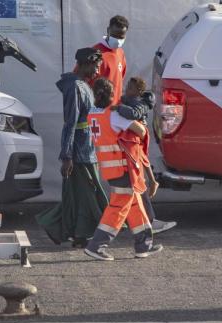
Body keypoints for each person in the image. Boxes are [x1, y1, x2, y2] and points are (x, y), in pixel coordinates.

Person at [90, 15, 176, 234]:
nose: (119, 39)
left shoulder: (119, 53)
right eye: (116, 34)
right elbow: (90, 85)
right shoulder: (96, 54)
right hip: (111, 120)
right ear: (107, 29)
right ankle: (122, 229)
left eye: (122, 35)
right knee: (129, 176)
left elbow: (120, 86)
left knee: (130, 176)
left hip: (118, 118)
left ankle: (143, 226)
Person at [85, 78, 164, 261]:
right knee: (118, 207)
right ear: (112, 95)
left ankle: (143, 245)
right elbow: (141, 131)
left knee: (135, 204)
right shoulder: (114, 115)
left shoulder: (92, 114)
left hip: (110, 169)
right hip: (123, 169)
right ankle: (97, 245)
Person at [36, 48, 108, 247]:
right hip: (79, 153)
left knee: (81, 195)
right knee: (86, 196)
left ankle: (77, 234)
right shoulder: (74, 87)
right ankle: (72, 232)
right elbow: (70, 123)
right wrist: (67, 156)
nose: (97, 71)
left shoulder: (83, 85)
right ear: (85, 64)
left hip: (87, 150)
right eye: (95, 66)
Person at [113, 77, 159, 199]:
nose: (127, 89)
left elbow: (133, 114)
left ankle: (152, 181)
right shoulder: (126, 99)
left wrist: (118, 108)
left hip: (140, 132)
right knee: (141, 156)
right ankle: (151, 181)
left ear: (139, 92)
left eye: (131, 88)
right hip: (133, 131)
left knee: (142, 156)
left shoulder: (141, 103)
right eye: (127, 86)